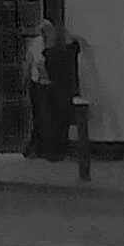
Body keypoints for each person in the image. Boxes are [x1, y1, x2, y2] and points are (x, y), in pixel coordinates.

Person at [44, 25, 84, 160]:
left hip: (53, 89)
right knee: (64, 123)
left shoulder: (49, 53)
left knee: (53, 122)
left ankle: (52, 152)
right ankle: (62, 150)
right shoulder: (69, 52)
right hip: (66, 90)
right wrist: (70, 35)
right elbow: (78, 44)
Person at [20, 19, 52, 159]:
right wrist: (24, 81)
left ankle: (42, 147)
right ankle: (36, 147)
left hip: (49, 85)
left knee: (45, 117)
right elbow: (28, 62)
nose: (43, 34)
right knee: (37, 116)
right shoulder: (36, 43)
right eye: (42, 31)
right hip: (36, 83)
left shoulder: (53, 44)